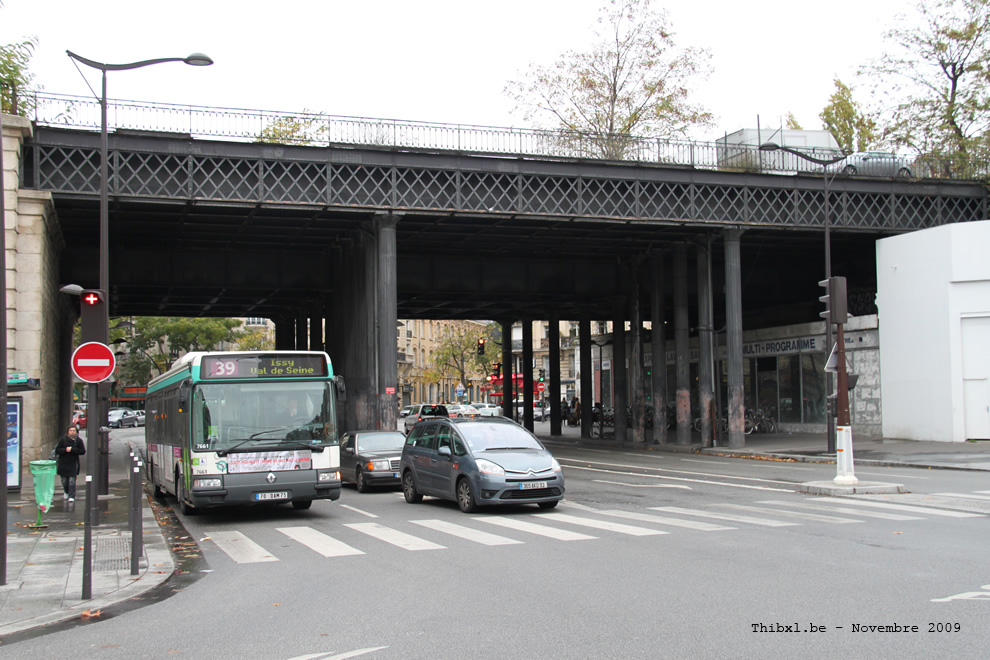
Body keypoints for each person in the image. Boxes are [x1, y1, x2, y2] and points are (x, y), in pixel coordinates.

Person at [54, 425, 86, 502]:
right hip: (63, 463)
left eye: (73, 431)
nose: (72, 432)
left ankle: (71, 495)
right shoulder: (63, 440)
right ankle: (66, 492)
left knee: (72, 481)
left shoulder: (78, 441)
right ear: (68, 432)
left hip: (73, 463)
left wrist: (72, 449)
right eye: (70, 430)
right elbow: (57, 450)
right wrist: (65, 450)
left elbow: (82, 451)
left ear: (76, 432)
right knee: (64, 481)